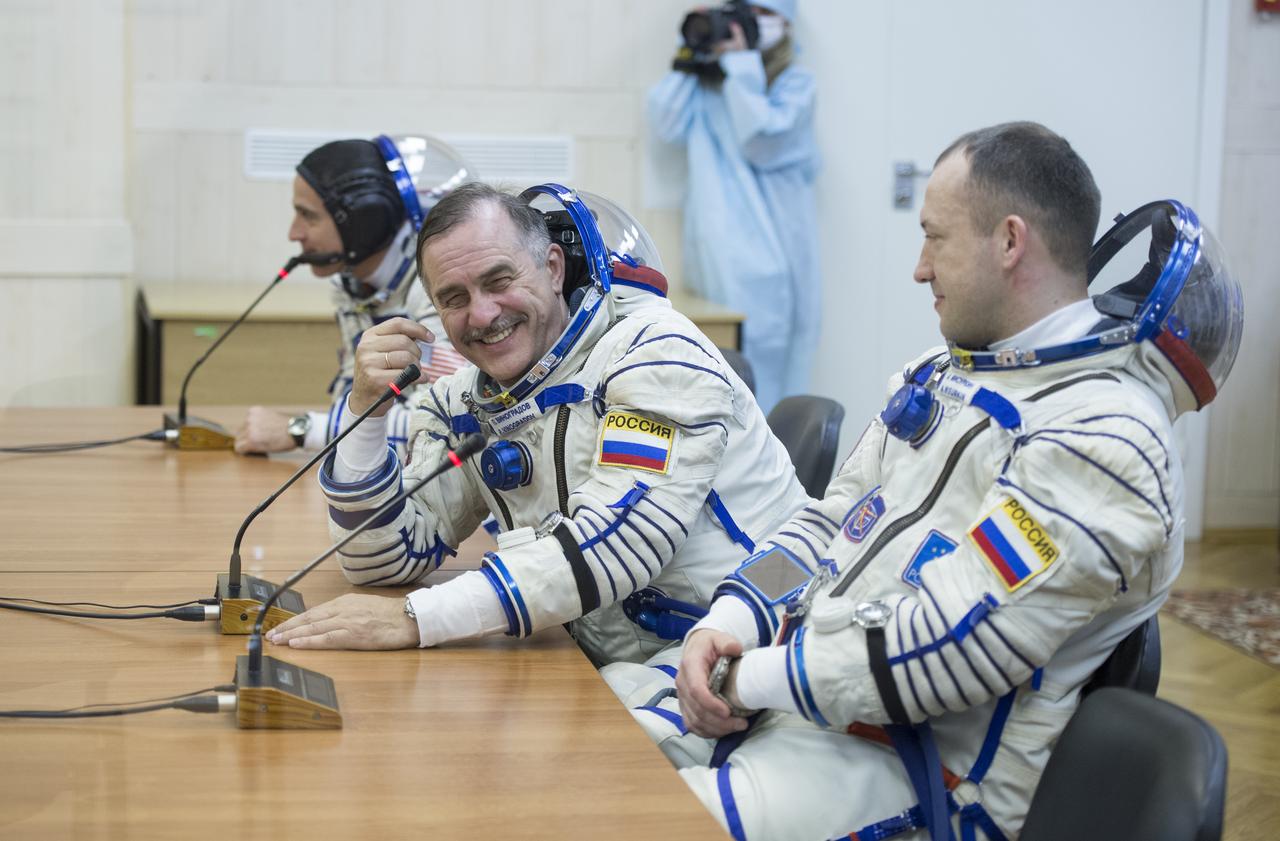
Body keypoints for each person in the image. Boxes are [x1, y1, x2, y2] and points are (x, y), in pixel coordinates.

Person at [602, 121, 1244, 840]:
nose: (919, 267)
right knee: (579, 746)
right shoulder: (945, 376)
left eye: (934, 237)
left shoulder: (1110, 443)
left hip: (926, 779)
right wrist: (730, 623)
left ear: (1008, 241)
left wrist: (744, 678)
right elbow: (827, 522)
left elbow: (948, 648)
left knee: (622, 820)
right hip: (795, 700)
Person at [266, 182, 813, 667]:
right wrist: (368, 410)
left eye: (498, 279)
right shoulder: (464, 400)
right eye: (453, 298)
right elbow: (381, 559)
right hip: (607, 658)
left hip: (748, 648)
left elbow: (620, 545)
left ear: (553, 268)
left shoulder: (654, 354)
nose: (481, 315)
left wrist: (416, 619)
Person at [234, 134, 473, 460]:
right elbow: (354, 401)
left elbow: (447, 427)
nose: (295, 233)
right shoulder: (358, 290)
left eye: (309, 216)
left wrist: (303, 429)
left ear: (364, 221)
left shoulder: (437, 291)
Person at [649, 0, 820, 413]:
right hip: (713, 249)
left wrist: (742, 66)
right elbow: (665, 124)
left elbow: (761, 138)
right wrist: (690, 56)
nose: (748, 22)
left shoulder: (794, 84)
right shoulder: (711, 83)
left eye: (762, 13)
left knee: (761, 380)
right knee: (708, 373)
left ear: (785, 23)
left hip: (771, 258)